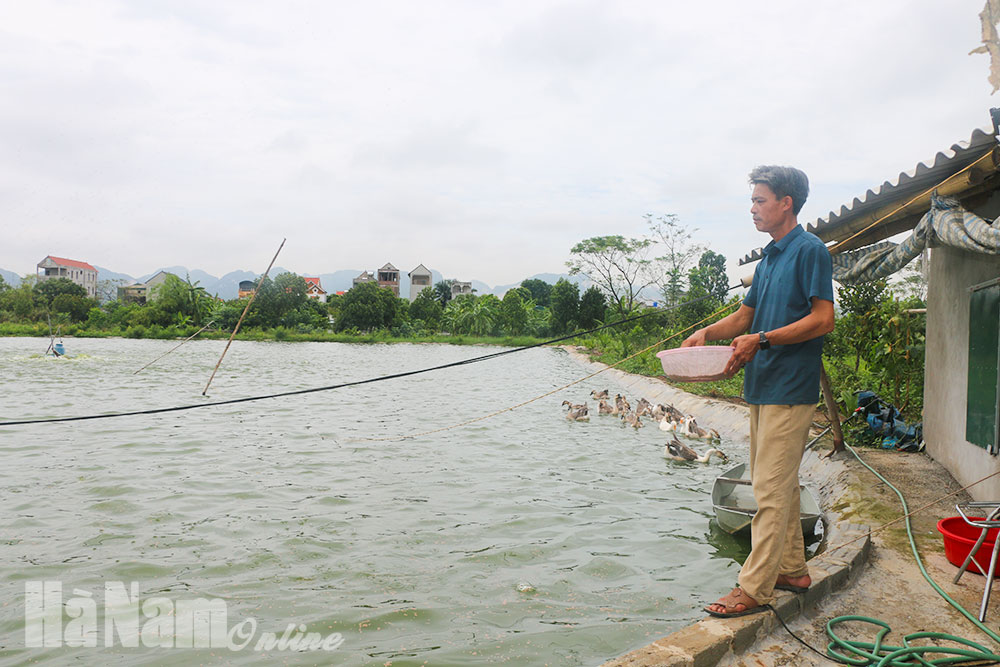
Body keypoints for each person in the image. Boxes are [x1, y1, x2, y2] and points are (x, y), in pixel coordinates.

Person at [682, 165, 834, 617]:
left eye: (760, 200)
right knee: (781, 488)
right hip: (761, 386)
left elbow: (823, 319)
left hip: (791, 388)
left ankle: (753, 588)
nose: (753, 208)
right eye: (752, 200)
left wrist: (763, 341)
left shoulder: (810, 251)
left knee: (766, 489)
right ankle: (792, 569)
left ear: (786, 202)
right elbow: (744, 319)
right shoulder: (769, 258)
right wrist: (705, 333)